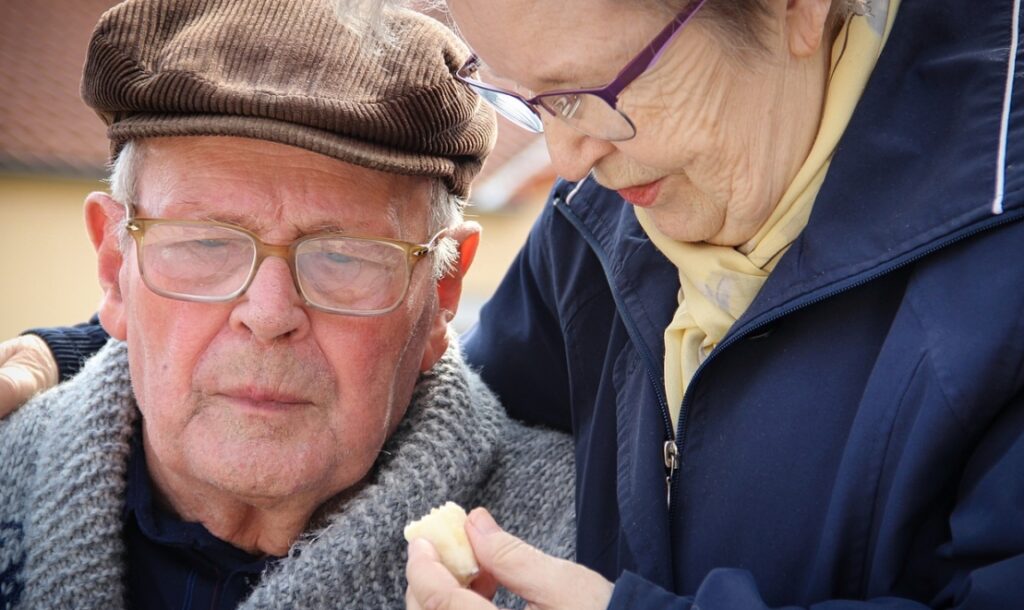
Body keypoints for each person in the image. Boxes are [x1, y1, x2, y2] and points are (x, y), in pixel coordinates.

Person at [4, 0, 1024, 608]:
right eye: (529, 103)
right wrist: (91, 355)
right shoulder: (608, 218)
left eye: (592, 91)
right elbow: (409, 368)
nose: (567, 161)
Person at [0, 1, 575, 609]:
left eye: (344, 257)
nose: (270, 315)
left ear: (441, 292)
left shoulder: (581, 545)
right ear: (116, 270)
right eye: (205, 242)